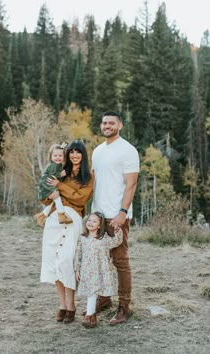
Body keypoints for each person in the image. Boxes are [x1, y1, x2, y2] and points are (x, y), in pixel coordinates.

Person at [92, 111, 140, 325]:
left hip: (116, 215)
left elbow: (131, 184)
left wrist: (122, 212)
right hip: (98, 215)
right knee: (101, 261)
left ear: (120, 125)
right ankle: (104, 299)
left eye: (111, 123)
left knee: (120, 261)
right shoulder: (97, 151)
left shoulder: (128, 150)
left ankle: (124, 306)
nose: (107, 126)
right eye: (104, 123)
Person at [40, 140, 94, 324]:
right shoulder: (60, 172)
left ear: (83, 155)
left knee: (66, 261)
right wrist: (51, 195)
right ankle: (62, 305)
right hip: (55, 218)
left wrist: (61, 187)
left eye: (78, 153)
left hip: (73, 219)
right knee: (55, 261)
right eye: (71, 152)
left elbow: (80, 198)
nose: (74, 156)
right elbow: (45, 194)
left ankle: (72, 305)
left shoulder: (88, 176)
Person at [74, 211, 123, 329]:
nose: (90, 223)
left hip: (100, 271)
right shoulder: (82, 238)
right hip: (87, 271)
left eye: (94, 221)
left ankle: (90, 316)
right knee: (91, 292)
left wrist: (118, 230)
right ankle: (91, 316)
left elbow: (117, 241)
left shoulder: (103, 239)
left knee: (93, 292)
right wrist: (77, 269)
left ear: (99, 225)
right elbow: (78, 254)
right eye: (89, 220)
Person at [35, 143, 72, 227]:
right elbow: (52, 176)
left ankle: (42, 215)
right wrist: (61, 174)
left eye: (60, 156)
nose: (58, 157)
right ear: (51, 157)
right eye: (55, 156)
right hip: (46, 186)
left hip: (49, 186)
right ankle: (61, 216)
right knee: (57, 198)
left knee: (55, 202)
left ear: (63, 157)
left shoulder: (58, 165)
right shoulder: (53, 166)